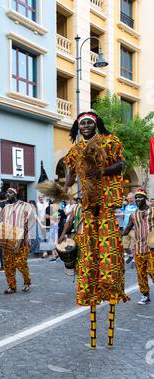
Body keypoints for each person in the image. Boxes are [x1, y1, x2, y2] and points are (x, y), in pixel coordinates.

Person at [62, 111, 129, 348]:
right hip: (88, 205)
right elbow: (69, 177)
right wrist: (62, 187)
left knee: (109, 254)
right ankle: (88, 289)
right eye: (82, 124)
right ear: (78, 128)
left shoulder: (111, 141)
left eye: (90, 122)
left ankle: (111, 289)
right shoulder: (75, 150)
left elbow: (121, 164)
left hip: (108, 202)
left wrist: (99, 172)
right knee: (87, 254)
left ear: (97, 124)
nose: (87, 126)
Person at [123, 189, 154, 305]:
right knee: (141, 273)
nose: (137, 200)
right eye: (136, 198)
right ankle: (145, 295)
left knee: (152, 271)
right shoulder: (133, 215)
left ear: (145, 199)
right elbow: (127, 229)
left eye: (140, 197)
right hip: (139, 248)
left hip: (152, 249)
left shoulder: (152, 211)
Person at [0, 188, 32, 294]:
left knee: (20, 262)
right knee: (8, 264)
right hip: (8, 239)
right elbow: (3, 223)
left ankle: (27, 282)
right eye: (7, 193)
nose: (7, 194)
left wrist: (24, 236)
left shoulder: (25, 205)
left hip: (22, 239)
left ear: (16, 194)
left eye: (10, 193)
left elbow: (29, 221)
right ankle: (11, 286)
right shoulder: (5, 208)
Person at [122, 192, 137, 267]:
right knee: (125, 246)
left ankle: (134, 260)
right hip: (126, 228)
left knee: (133, 246)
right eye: (129, 198)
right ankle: (131, 256)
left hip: (134, 228)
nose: (130, 199)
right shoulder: (126, 206)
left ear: (134, 198)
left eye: (131, 198)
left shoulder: (138, 205)